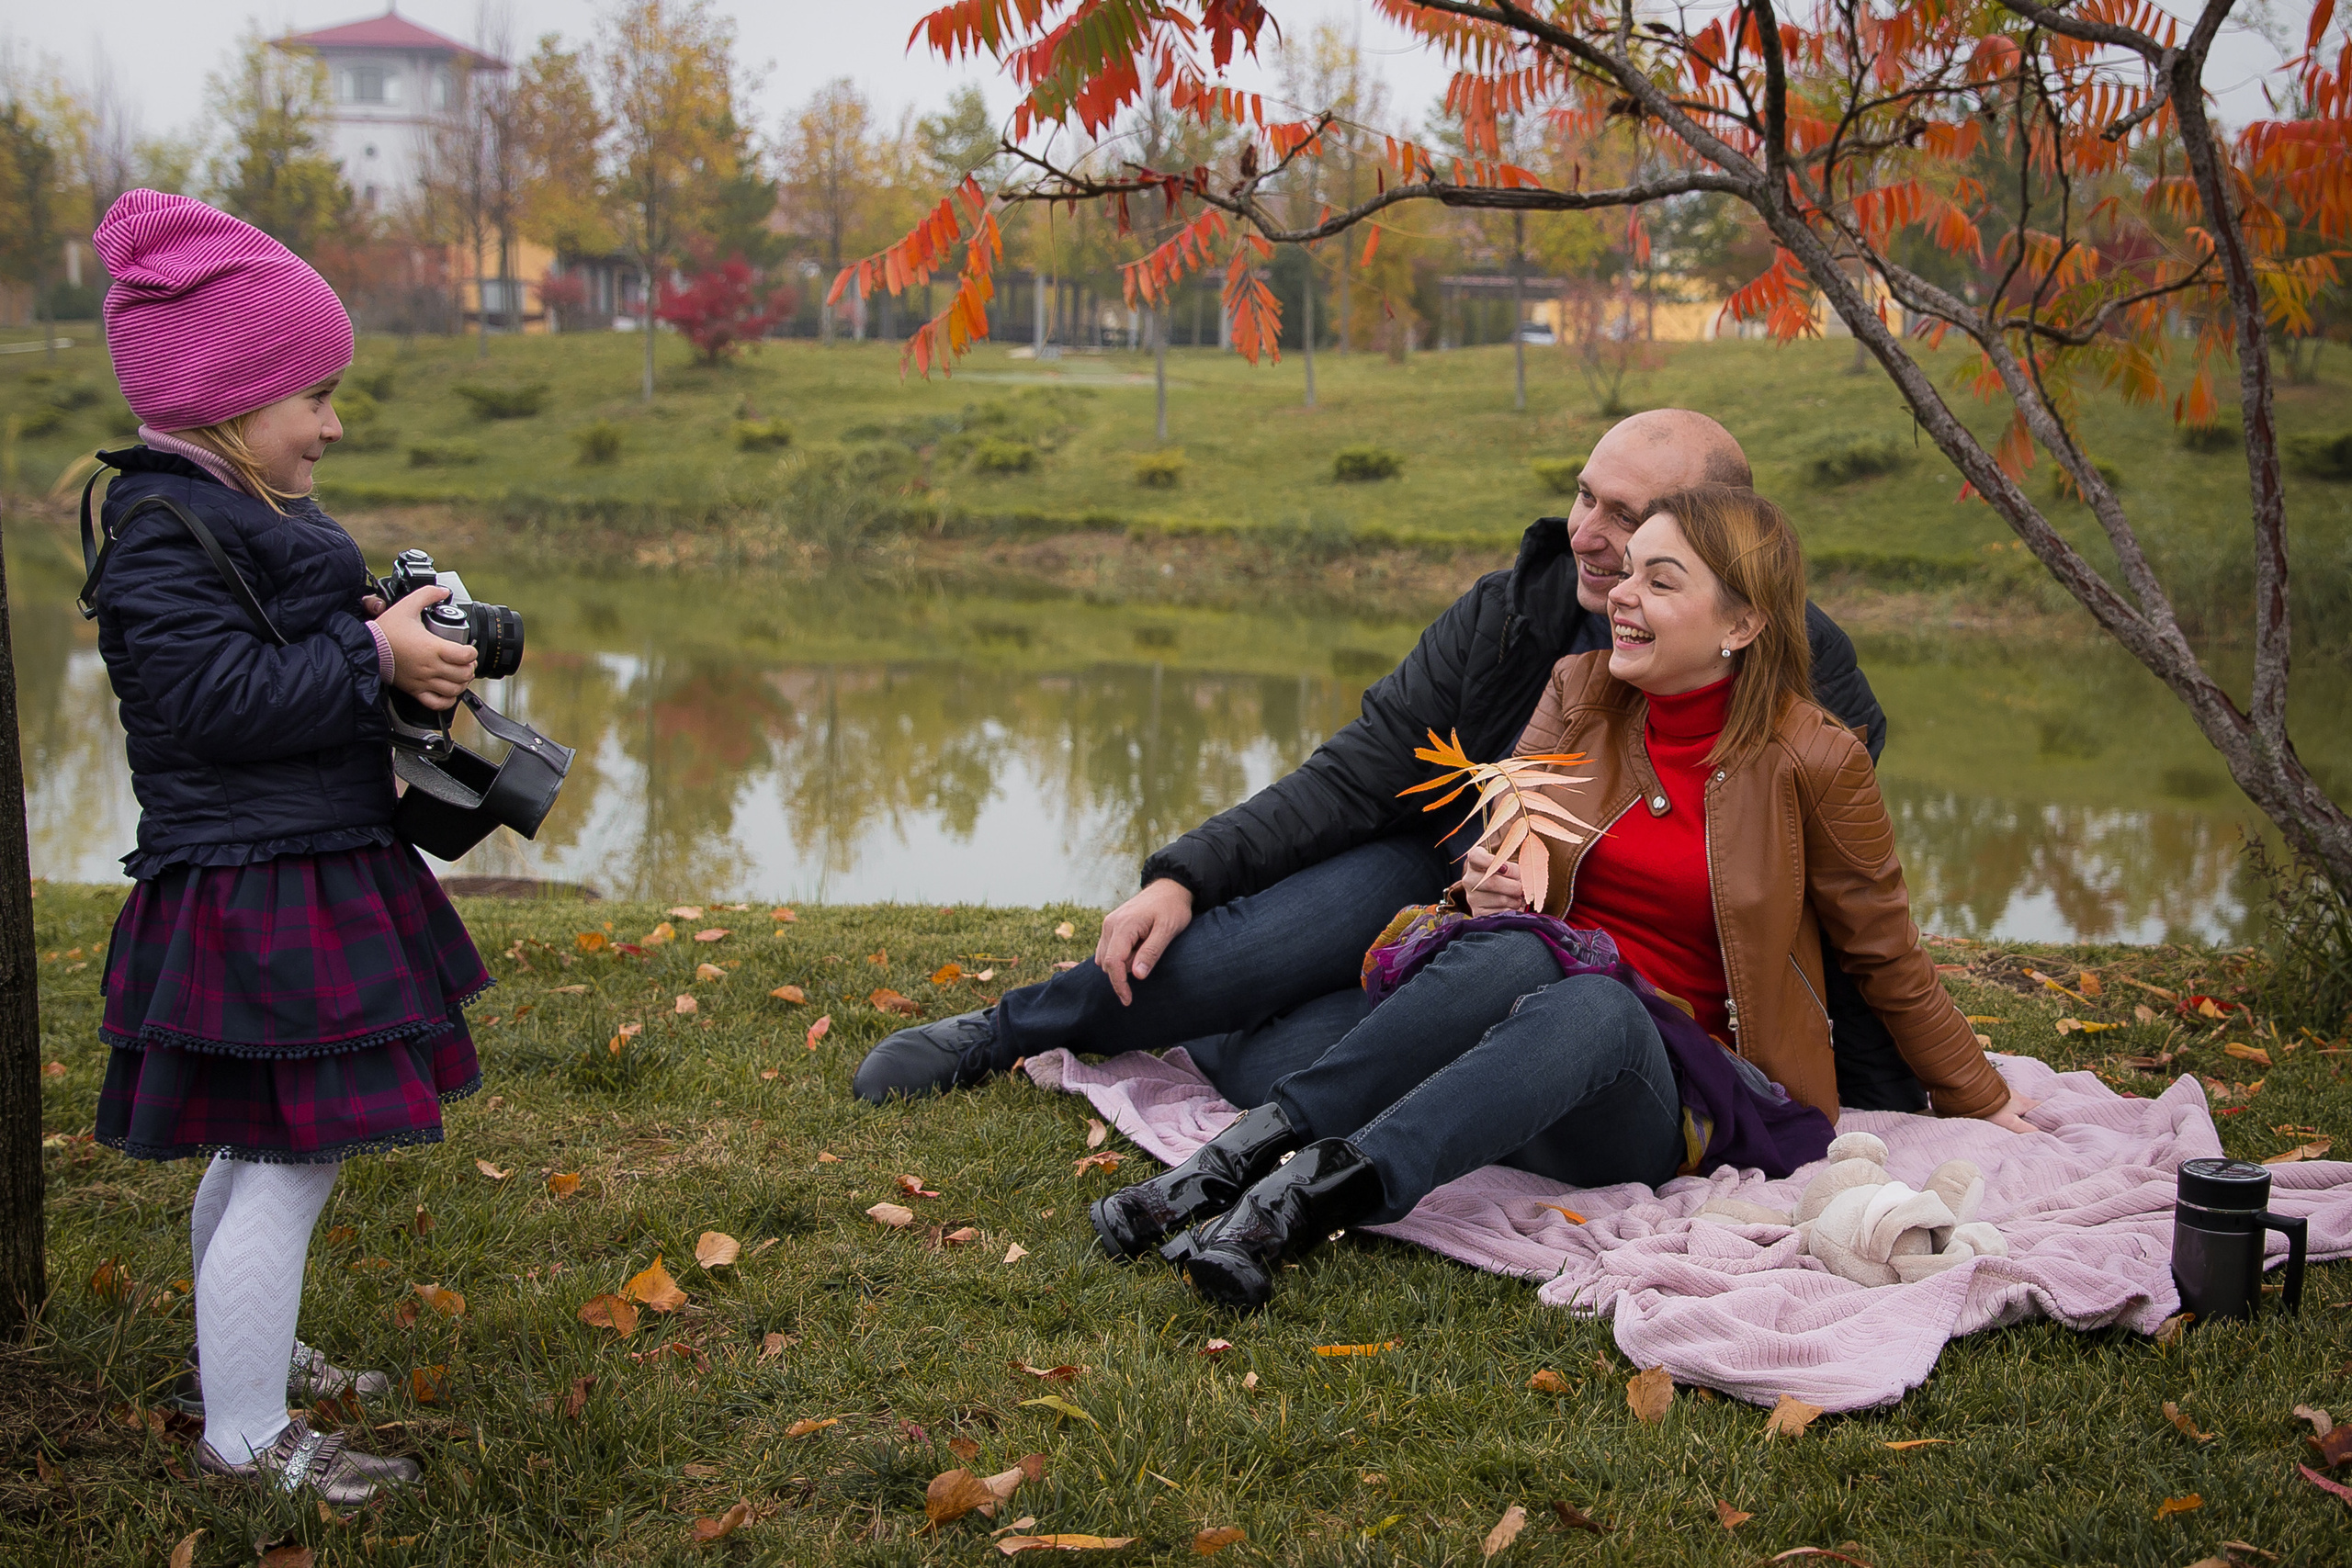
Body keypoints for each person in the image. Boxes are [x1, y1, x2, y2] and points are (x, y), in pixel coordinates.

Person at [1111, 484, 2034, 1309]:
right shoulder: (1577, 692)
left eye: (1658, 581)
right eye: (1626, 573)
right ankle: (1229, 1163)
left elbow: (1882, 948)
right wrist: (1483, 886)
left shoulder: (1818, 758)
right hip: (1517, 1040)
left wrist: (1981, 1096)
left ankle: (1294, 1204)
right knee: (1502, 959)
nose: (1619, 595)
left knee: (1591, 997)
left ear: (1741, 624)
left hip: (1665, 1087)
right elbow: (1507, 873)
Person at [854, 411, 1919, 1111]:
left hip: (1574, 963)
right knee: (1246, 941)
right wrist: (1186, 872)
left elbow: (1830, 906)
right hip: (1432, 874)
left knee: (1276, 1068)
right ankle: (1006, 1029)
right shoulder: (1513, 615)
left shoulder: (1803, 680)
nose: (1589, 533)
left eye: (1628, 517)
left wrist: (1876, 1087)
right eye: (1585, 495)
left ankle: (1228, 1030)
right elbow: (1360, 770)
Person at [83, 191, 486, 1503]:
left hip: (297, 855)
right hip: (254, 880)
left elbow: (275, 663)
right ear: (224, 401)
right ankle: (247, 1433)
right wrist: (366, 651)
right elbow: (210, 702)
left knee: (258, 1138)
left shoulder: (238, 514)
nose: (331, 419)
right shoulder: (163, 530)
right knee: (290, 1150)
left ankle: (238, 1354)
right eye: (312, 394)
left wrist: (390, 643)